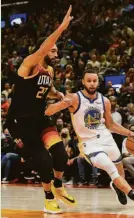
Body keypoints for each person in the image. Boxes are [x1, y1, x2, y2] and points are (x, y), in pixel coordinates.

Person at [45, 69, 134, 212]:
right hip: (90, 144)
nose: (92, 83)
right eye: (89, 80)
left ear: (98, 82)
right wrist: (60, 104)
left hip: (107, 139)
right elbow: (48, 111)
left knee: (120, 175)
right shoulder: (74, 98)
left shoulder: (104, 100)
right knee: (111, 169)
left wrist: (130, 133)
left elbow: (111, 125)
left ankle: (116, 186)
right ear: (83, 82)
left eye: (94, 81)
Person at [6, 6, 76, 214]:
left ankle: (58, 184)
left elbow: (48, 90)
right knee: (44, 161)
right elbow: (44, 47)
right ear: (44, 50)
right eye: (52, 50)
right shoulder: (29, 65)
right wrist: (61, 28)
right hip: (21, 123)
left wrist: (59, 95)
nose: (56, 53)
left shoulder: (50, 71)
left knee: (61, 156)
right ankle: (48, 199)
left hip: (40, 119)